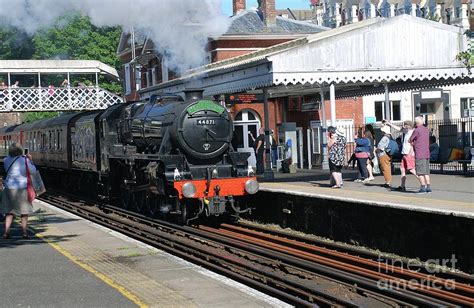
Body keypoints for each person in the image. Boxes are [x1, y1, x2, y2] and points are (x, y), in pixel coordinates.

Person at [1, 143, 37, 239]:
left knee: (9, 212)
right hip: (22, 188)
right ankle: (24, 233)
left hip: (9, 188)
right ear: (21, 150)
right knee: (24, 212)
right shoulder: (25, 160)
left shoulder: (6, 160)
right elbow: (33, 171)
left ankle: (6, 232)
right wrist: (31, 160)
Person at [385, 120, 418, 192]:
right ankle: (402, 186)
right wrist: (389, 124)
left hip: (409, 154)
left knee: (412, 170)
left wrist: (410, 153)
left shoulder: (412, 133)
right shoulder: (407, 132)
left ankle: (423, 183)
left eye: (404, 125)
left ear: (408, 126)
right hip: (404, 154)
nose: (403, 127)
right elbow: (398, 129)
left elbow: (413, 144)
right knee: (402, 169)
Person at [410, 116, 432, 193]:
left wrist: (413, 142)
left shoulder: (417, 130)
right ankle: (428, 187)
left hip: (419, 153)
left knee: (420, 172)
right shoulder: (426, 129)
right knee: (426, 172)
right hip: (426, 153)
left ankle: (423, 187)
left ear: (416, 123)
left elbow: (410, 139)